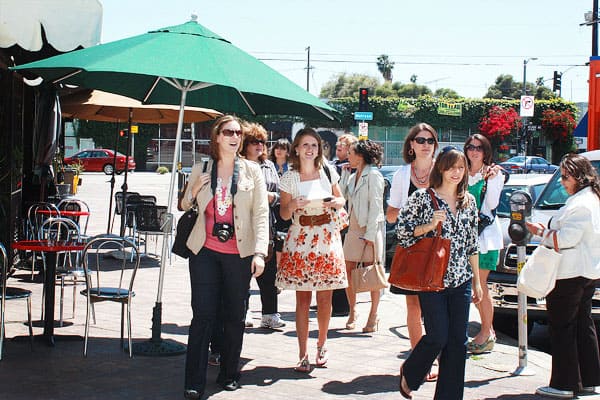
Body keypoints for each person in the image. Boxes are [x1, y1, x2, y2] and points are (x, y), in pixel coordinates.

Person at [181, 115, 270, 399]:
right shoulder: (201, 167)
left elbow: (261, 214)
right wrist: (194, 190)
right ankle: (193, 381)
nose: (235, 137)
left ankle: (230, 373)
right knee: (203, 315)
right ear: (217, 137)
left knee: (234, 315)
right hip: (204, 251)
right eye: (229, 132)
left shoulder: (252, 171)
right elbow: (183, 204)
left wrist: (260, 253)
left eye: (238, 133)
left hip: (239, 254)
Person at [396, 146, 482, 400]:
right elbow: (402, 233)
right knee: (438, 336)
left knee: (458, 342)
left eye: (460, 167)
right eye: (450, 167)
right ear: (440, 169)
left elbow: (472, 244)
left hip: (461, 279)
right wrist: (429, 225)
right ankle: (411, 373)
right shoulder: (423, 198)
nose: (456, 172)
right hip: (431, 280)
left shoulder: (469, 201)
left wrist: (477, 282)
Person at [525, 153, 600, 399]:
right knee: (582, 325)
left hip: (569, 273)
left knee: (563, 328)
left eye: (565, 177)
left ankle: (564, 384)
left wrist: (541, 232)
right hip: (587, 272)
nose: (562, 182)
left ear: (578, 177)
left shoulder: (581, 204)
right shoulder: (591, 200)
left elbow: (566, 239)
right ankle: (589, 380)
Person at [275, 128, 347, 373]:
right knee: (303, 298)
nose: (310, 149)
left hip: (326, 235)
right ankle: (302, 353)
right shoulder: (289, 178)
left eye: (314, 145)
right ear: (296, 148)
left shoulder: (328, 171)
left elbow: (341, 200)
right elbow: (284, 213)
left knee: (325, 296)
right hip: (301, 237)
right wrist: (293, 204)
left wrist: (335, 202)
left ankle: (322, 345)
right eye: (305, 145)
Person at [386, 122, 439, 380]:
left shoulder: (443, 170)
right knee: (414, 305)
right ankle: (421, 359)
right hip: (413, 247)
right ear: (411, 145)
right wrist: (414, 208)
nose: (425, 145)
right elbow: (390, 214)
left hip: (441, 247)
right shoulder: (401, 175)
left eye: (430, 140)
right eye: (420, 140)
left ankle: (434, 356)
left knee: (437, 307)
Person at [240, 122, 286, 329]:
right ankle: (244, 310)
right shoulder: (238, 164)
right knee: (242, 272)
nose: (259, 145)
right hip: (242, 226)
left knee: (268, 272)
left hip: (266, 226)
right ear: (244, 144)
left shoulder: (268, 166)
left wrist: (271, 197)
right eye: (254, 141)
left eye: (262, 141)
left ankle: (269, 314)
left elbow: (280, 195)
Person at [463, 134, 504, 354]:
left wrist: (490, 178)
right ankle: (487, 332)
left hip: (485, 237)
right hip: (466, 237)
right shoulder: (461, 172)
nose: (474, 151)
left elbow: (492, 205)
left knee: (481, 285)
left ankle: (486, 332)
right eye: (471, 147)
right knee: (473, 285)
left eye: (479, 147)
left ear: (486, 151)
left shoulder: (493, 175)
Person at [342, 139, 385, 332]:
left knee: (372, 271)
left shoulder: (374, 175)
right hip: (353, 229)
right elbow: (342, 197)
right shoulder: (353, 176)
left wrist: (369, 234)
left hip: (370, 229)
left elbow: (376, 206)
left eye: (351, 152)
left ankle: (374, 315)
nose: (347, 156)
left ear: (360, 155)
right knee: (347, 270)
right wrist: (344, 175)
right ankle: (353, 311)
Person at [330, 133, 358, 317]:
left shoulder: (353, 170)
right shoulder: (333, 166)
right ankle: (332, 300)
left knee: (343, 263)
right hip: (333, 220)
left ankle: (342, 305)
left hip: (347, 222)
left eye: (344, 144)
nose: (339, 146)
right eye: (339, 143)